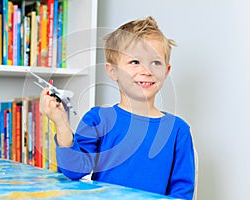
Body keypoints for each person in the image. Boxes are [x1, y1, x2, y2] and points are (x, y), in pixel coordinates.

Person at [40, 16, 195, 200]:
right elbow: (74, 171)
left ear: (166, 71)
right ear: (113, 71)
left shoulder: (178, 130)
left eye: (156, 62)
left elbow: (182, 192)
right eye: (135, 62)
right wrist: (61, 123)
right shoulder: (98, 119)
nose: (147, 70)